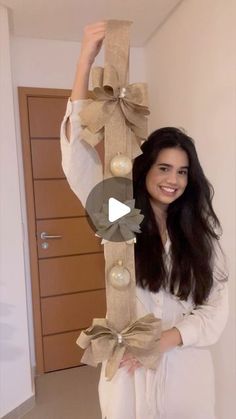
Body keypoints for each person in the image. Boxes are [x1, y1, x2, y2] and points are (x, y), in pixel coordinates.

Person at [60, 21, 229, 419]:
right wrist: (86, 58)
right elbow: (76, 161)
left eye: (183, 172)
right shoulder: (119, 218)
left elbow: (216, 308)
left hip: (185, 365)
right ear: (145, 168)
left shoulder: (200, 232)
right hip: (128, 369)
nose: (173, 179)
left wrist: (167, 339)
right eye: (164, 168)